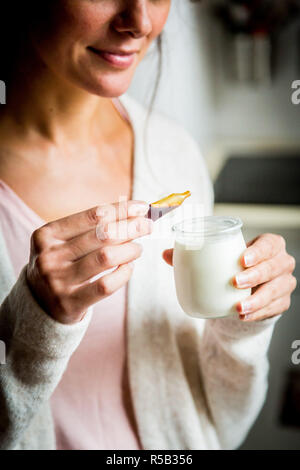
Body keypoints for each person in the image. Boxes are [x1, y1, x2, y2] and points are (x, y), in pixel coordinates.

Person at [0, 1, 296, 451]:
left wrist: (242, 322)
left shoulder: (173, 153)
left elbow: (221, 426)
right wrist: (35, 333)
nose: (138, 22)